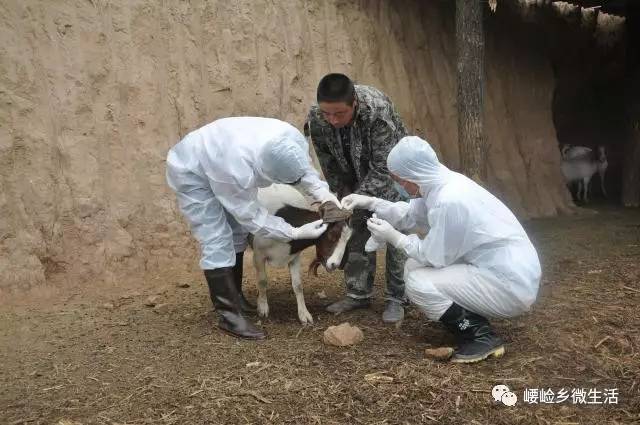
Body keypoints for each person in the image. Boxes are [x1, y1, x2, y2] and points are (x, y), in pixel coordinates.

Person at [341, 136, 541, 363]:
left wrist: (394, 237)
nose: (400, 185)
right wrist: (370, 202)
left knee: (418, 282)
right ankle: (470, 316)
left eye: (400, 180)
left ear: (414, 174)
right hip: (499, 269)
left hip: (509, 283)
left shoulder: (449, 200)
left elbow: (434, 257)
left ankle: (479, 335)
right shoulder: (438, 183)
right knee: (413, 267)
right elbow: (411, 215)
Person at [166, 117, 339, 340]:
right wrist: (293, 232)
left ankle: (236, 296)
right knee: (217, 236)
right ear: (266, 170)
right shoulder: (235, 170)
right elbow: (251, 217)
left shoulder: (290, 142)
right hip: (192, 168)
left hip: (223, 150)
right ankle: (228, 315)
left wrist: (325, 197)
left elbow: (304, 173)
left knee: (237, 233)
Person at [305, 73, 408, 323]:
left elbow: (385, 167)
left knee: (394, 230)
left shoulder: (377, 112)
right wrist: (341, 195)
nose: (332, 119)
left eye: (339, 114)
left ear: (354, 103)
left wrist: (360, 197)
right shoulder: (318, 117)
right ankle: (358, 293)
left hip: (395, 174)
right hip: (352, 173)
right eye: (327, 114)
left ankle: (397, 297)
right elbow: (327, 161)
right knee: (354, 228)